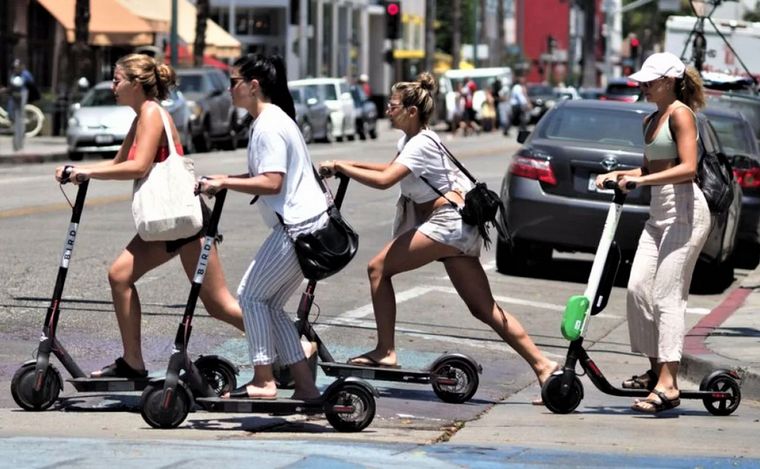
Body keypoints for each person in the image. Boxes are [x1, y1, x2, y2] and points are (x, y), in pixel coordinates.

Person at [319, 72, 558, 400]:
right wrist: (342, 163)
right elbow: (387, 167)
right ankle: (543, 365)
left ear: (411, 111)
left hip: (447, 223)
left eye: (392, 106)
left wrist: (342, 169)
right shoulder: (411, 142)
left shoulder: (421, 144)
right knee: (483, 308)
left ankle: (385, 350)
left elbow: (386, 179)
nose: (387, 111)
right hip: (455, 226)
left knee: (378, 269)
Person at [54, 54, 245, 379]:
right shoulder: (141, 115)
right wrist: (77, 170)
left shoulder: (152, 114)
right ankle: (132, 362)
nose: (113, 85)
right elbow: (117, 164)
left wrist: (86, 172)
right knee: (120, 275)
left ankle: (292, 346)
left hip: (184, 220)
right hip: (166, 221)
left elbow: (139, 166)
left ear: (136, 83)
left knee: (219, 304)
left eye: (117, 79)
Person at [195, 54, 323, 401]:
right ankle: (307, 388)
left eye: (234, 81)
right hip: (305, 227)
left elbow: (271, 183)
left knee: (250, 296)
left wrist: (225, 184)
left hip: (297, 229)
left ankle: (264, 380)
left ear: (254, 86)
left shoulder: (269, 124)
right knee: (269, 305)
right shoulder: (269, 120)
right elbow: (261, 178)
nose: (229, 89)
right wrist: (222, 179)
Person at [595, 52, 710, 414]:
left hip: (686, 211)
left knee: (666, 295)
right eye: (641, 81)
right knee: (637, 289)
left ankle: (669, 383)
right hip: (658, 212)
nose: (642, 86)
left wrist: (640, 179)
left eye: (648, 81)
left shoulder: (680, 114)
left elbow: (688, 169)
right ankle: (654, 369)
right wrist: (620, 175)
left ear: (669, 81)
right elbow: (650, 167)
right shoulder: (651, 119)